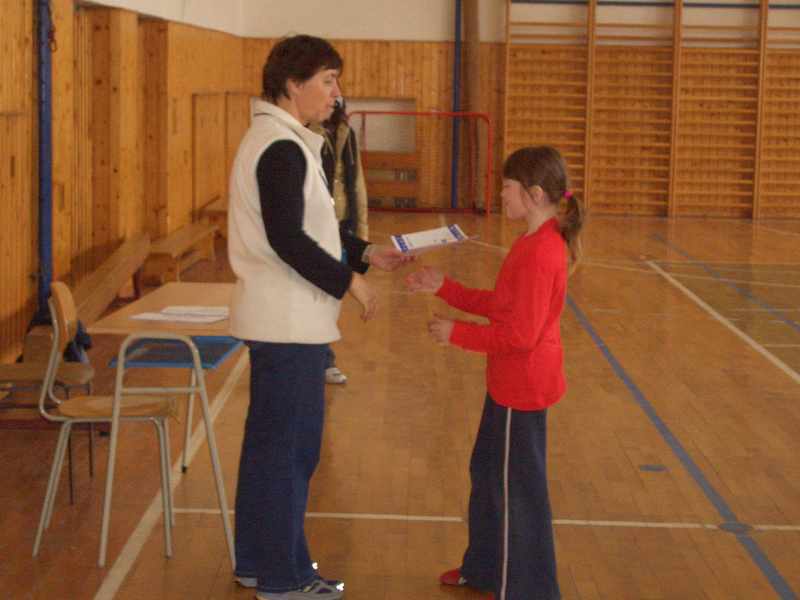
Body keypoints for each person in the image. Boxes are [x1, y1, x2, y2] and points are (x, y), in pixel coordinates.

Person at [227, 34, 411, 600]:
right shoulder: (280, 147)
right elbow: (287, 239)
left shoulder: (282, 141)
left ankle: (257, 563)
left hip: (283, 323)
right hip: (287, 326)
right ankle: (284, 579)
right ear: (292, 84)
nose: (336, 93)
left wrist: (364, 253)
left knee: (268, 449)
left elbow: (314, 231)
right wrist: (349, 281)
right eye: (328, 81)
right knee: (289, 453)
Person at [405, 146, 584, 600]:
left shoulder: (541, 252)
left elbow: (520, 335)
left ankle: (526, 589)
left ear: (534, 194)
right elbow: (503, 307)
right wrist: (445, 288)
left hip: (521, 388)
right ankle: (484, 568)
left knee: (515, 492)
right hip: (508, 384)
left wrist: (457, 334)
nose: (500, 194)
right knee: (487, 474)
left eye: (506, 187)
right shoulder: (531, 243)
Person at [313, 98, 369, 384]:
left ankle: (323, 357)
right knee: (319, 292)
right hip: (316, 224)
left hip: (342, 225)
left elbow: (356, 182)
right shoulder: (306, 133)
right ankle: (321, 360)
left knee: (332, 295)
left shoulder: (346, 133)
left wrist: (362, 234)